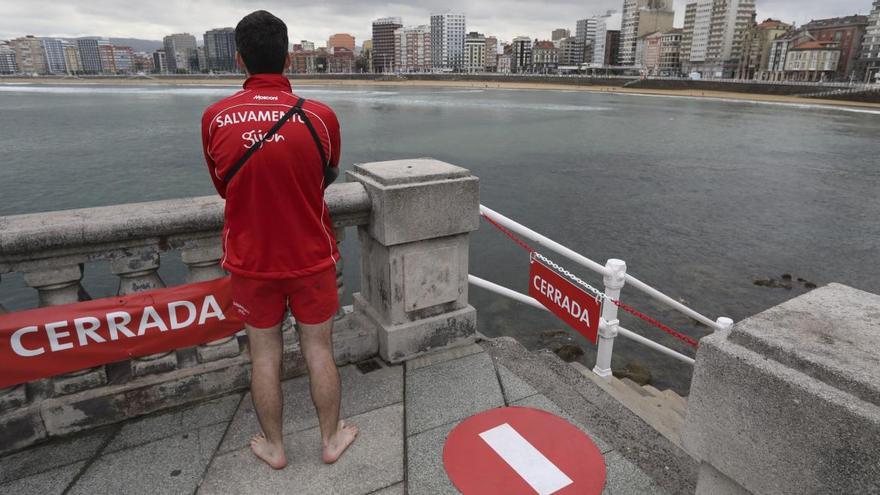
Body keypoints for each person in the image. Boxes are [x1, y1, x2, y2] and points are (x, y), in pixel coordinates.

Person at [200, 10, 357, 469]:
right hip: (312, 255)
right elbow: (322, 177)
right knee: (319, 348)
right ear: (288, 58)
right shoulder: (321, 117)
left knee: (264, 356)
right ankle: (330, 439)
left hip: (251, 260)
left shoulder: (215, 118)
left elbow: (222, 186)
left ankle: (274, 446)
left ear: (238, 58)